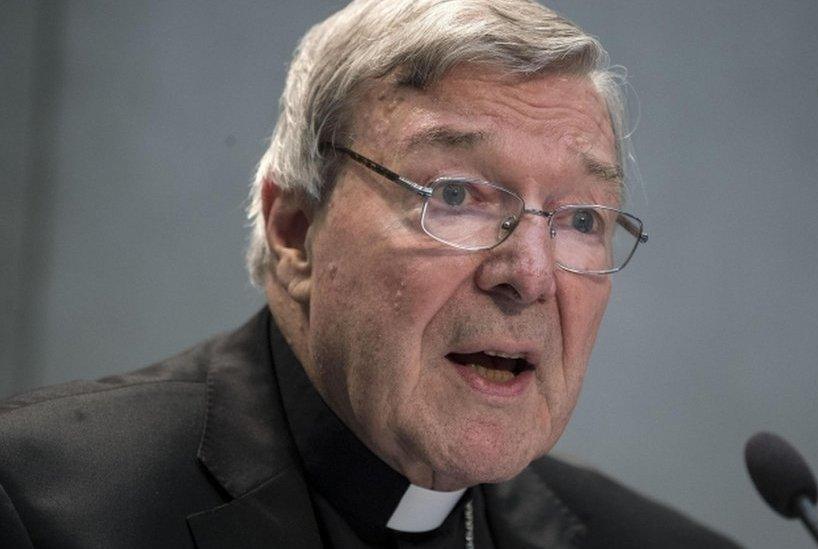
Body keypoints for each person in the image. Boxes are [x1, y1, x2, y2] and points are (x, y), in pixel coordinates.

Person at [0, 1, 740, 547]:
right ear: (294, 229)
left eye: (581, 218)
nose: (530, 273)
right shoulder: (42, 506)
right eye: (456, 195)